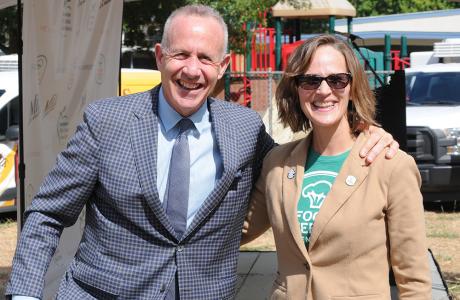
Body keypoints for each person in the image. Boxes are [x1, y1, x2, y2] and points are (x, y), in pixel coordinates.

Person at [6, 6, 398, 300]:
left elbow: (301, 162)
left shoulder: (243, 129)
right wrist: (25, 294)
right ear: (160, 56)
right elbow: (47, 213)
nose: (192, 70)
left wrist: (367, 134)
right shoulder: (107, 122)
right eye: (181, 55)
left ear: (223, 66)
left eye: (206, 58)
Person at [241, 34, 432, 299]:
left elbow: (414, 279)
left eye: (337, 79)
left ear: (353, 87)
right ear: (296, 89)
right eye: (310, 80)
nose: (323, 90)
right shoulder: (277, 164)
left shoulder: (391, 165)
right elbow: (236, 230)